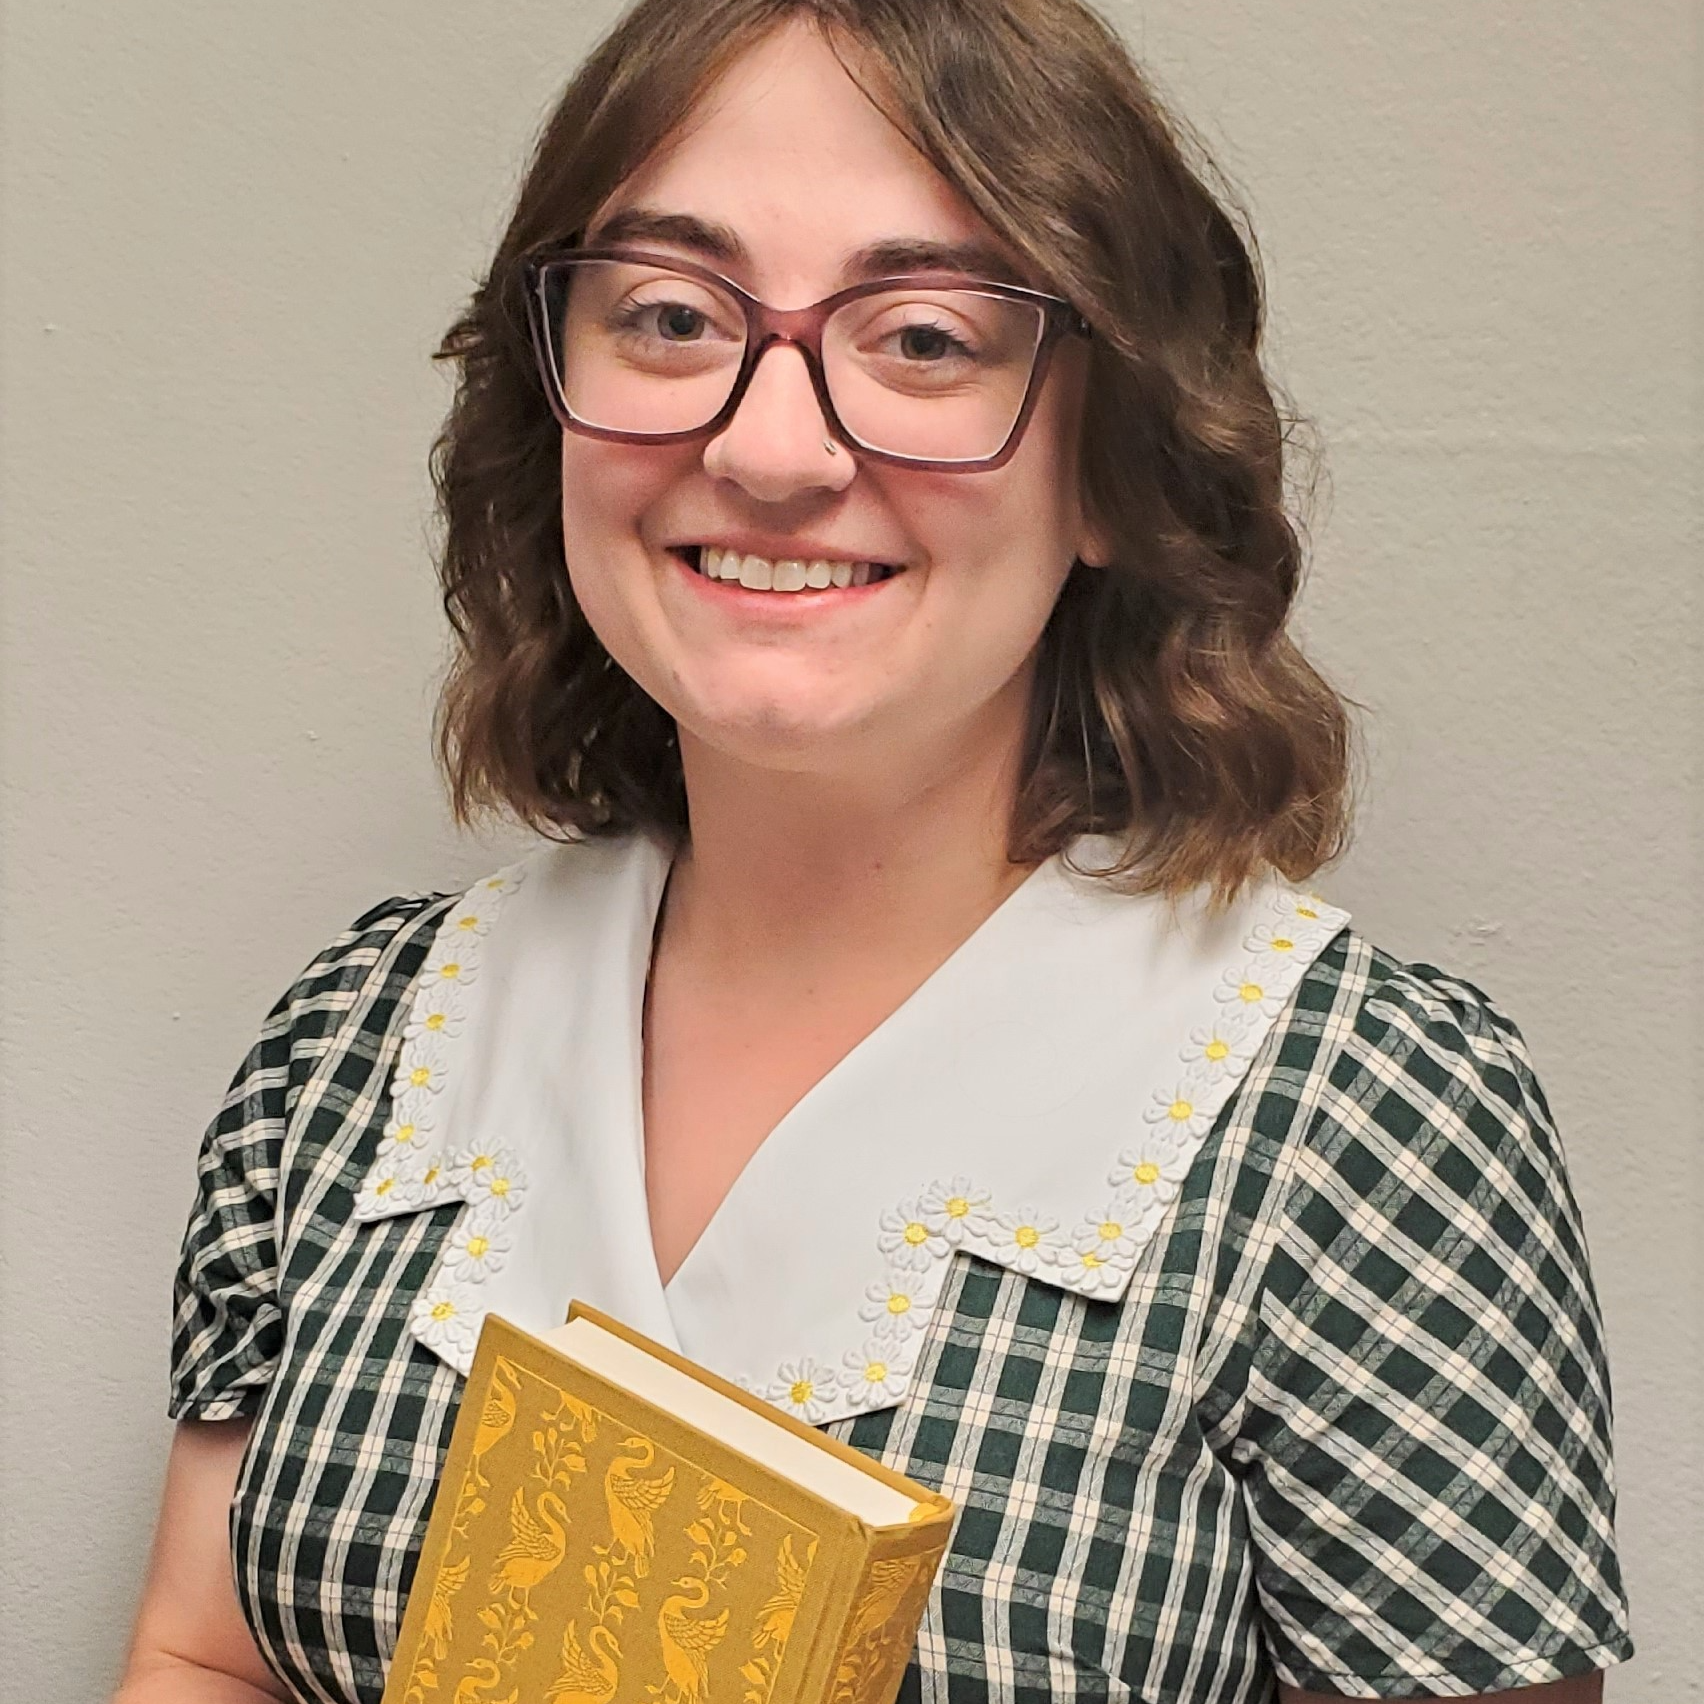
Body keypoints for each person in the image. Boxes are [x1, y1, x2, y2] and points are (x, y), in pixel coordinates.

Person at [115, 1, 1633, 1700]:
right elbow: (212, 1656)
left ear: (1116, 458)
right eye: (673, 317)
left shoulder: (1359, 1112)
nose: (770, 449)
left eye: (922, 339)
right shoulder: (359, 1048)